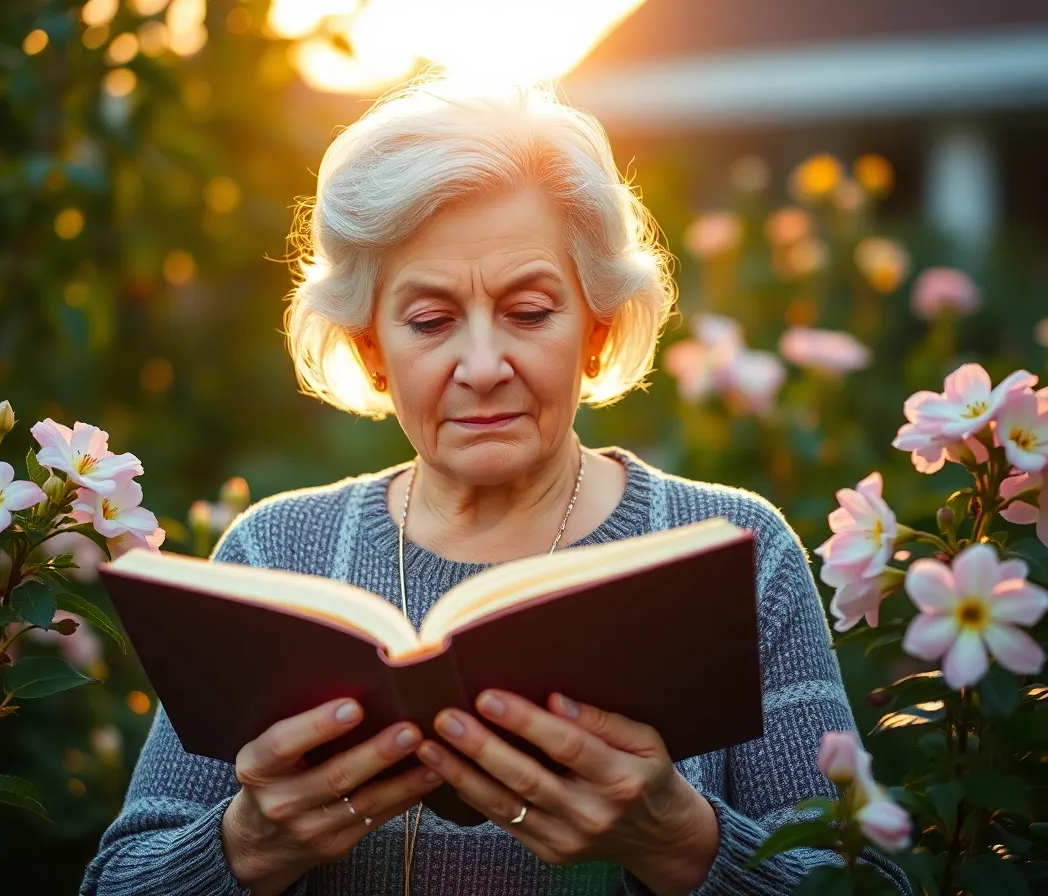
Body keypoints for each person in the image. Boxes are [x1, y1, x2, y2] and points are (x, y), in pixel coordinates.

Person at [81, 79, 908, 896]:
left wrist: (686, 845)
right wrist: (247, 848)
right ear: (371, 350)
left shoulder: (739, 552)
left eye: (529, 310)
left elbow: (866, 883)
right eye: (431, 322)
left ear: (598, 326)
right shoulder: (274, 552)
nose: (482, 368)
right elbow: (117, 883)